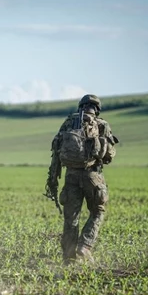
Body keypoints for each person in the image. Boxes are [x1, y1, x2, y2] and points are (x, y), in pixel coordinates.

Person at [46, 94, 118, 265]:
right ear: (97, 109)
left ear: (81, 106)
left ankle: (69, 258)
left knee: (71, 218)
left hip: (71, 175)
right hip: (92, 175)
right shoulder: (101, 124)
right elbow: (109, 155)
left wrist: (52, 179)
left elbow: (56, 149)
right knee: (98, 211)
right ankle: (85, 246)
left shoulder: (68, 122)